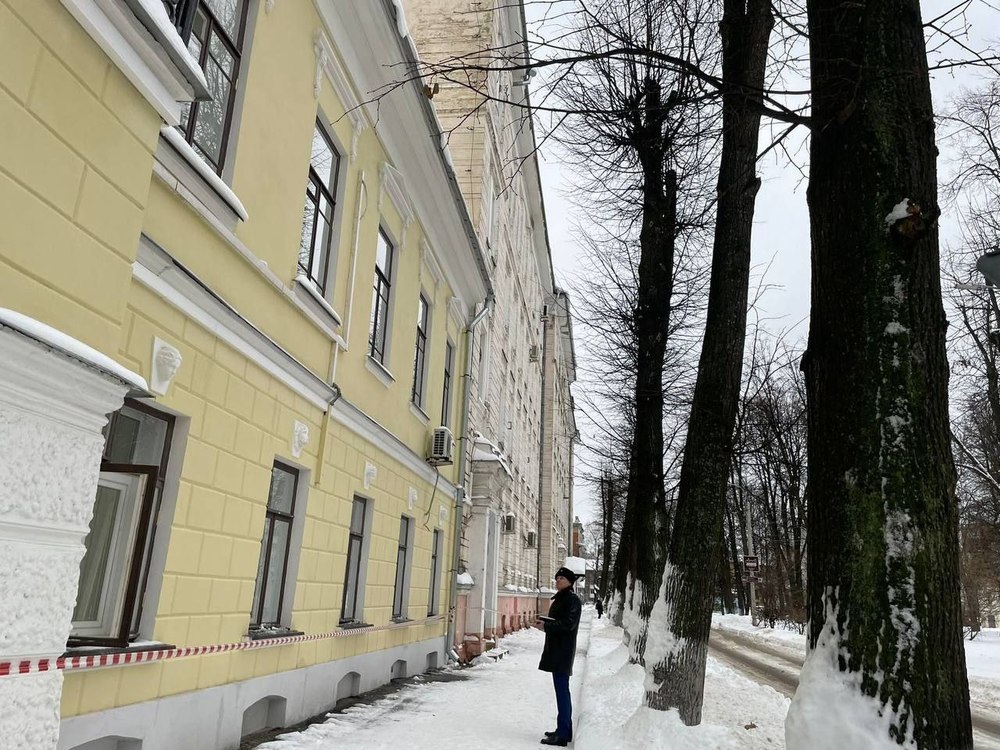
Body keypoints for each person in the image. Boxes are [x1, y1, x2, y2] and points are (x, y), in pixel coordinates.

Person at [536, 567, 582, 747]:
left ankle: (562, 734)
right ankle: (563, 730)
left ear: (570, 581)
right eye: (557, 578)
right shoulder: (562, 599)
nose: (558, 581)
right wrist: (545, 624)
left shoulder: (572, 600)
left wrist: (546, 626)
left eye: (561, 578)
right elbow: (558, 622)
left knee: (562, 692)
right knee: (561, 691)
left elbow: (568, 625)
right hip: (557, 650)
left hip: (563, 652)